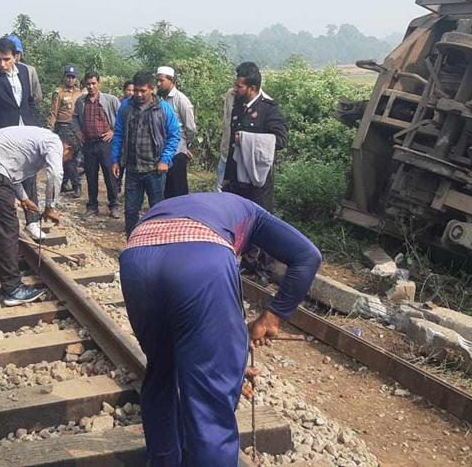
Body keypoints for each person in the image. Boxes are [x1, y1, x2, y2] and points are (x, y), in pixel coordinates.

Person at [119, 192, 321, 466]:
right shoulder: (254, 213)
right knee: (209, 401)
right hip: (201, 258)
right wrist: (271, 319)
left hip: (136, 258)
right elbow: (308, 257)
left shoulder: (194, 206)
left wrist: (228, 352)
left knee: (161, 371)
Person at [0, 126, 73, 306]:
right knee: (7, 229)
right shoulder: (54, 142)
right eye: (66, 159)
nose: (63, 161)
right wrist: (50, 207)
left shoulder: (38, 137)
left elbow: (10, 171)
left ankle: (4, 278)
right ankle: (12, 289)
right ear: (67, 149)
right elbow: (55, 173)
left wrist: (23, 198)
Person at [0, 36, 47, 241]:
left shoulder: (24, 72)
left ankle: (32, 222)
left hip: (26, 132)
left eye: (6, 59)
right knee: (7, 177)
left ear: (16, 56)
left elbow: (28, 101)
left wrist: (34, 124)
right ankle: (8, 223)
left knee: (29, 175)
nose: (2, 64)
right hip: (4, 134)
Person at [110, 71, 180, 236]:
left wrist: (165, 159)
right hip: (133, 169)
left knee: (157, 210)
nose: (139, 95)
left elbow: (174, 136)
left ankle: (155, 243)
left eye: (143, 91)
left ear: (152, 89)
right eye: (136, 91)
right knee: (131, 211)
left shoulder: (164, 109)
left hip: (155, 170)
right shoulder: (126, 107)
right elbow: (118, 134)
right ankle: (132, 243)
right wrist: (115, 160)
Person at [223, 62, 287, 211]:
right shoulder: (238, 106)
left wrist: (247, 139)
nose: (235, 89)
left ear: (252, 88)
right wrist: (227, 177)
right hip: (237, 177)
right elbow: (233, 145)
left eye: (239, 87)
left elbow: (282, 140)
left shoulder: (269, 109)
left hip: (258, 178)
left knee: (257, 221)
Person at [72, 71, 120, 218]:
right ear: (85, 85)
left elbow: (121, 119)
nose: (91, 86)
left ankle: (114, 205)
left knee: (109, 175)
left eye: (93, 83)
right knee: (91, 176)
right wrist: (78, 132)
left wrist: (113, 131)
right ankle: (92, 206)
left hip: (105, 143)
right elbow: (74, 118)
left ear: (99, 83)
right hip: (88, 143)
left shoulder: (110, 100)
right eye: (88, 84)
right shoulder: (81, 101)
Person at [155, 66, 196, 199]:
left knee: (178, 189)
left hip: (177, 152)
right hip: (162, 152)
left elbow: (190, 128)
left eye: (161, 80)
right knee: (165, 190)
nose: (158, 84)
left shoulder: (181, 100)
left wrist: (185, 146)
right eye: (157, 80)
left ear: (171, 80)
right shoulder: (158, 99)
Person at [49, 65, 84, 198]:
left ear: (76, 79)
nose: (70, 80)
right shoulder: (59, 93)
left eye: (73, 77)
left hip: (77, 129)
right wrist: (49, 130)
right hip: (63, 128)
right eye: (68, 77)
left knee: (75, 159)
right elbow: (53, 112)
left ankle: (67, 183)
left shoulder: (80, 94)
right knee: (67, 158)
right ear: (64, 78)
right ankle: (75, 185)